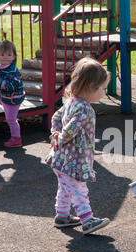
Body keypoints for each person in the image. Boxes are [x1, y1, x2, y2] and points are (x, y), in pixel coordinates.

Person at [45, 57, 110, 234]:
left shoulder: (70, 102)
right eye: (103, 88)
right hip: (73, 159)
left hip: (61, 158)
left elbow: (56, 118)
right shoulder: (84, 108)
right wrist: (60, 137)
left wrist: (55, 134)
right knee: (79, 189)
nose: (105, 92)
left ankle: (62, 216)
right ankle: (87, 220)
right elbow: (71, 129)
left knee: (66, 188)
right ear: (90, 87)